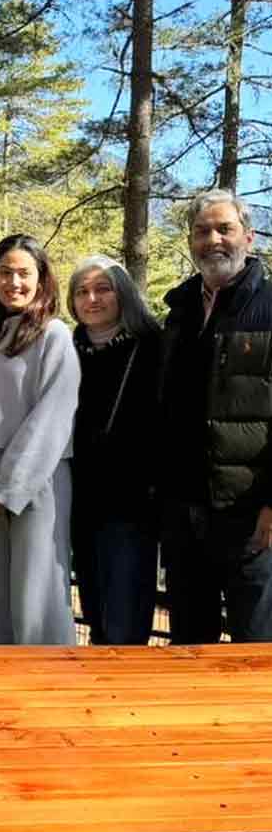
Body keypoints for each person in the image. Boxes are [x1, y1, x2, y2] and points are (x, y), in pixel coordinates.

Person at [0, 233, 80, 645]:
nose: (14, 282)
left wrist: (8, 489)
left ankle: (45, 691)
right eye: (5, 272)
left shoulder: (55, 336)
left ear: (41, 279)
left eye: (24, 273)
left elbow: (53, 417)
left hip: (37, 478)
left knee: (36, 597)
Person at [158, 188, 272, 643]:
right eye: (202, 231)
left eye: (224, 228)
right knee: (190, 649)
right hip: (185, 514)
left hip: (251, 518)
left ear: (249, 236)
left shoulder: (268, 308)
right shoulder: (179, 312)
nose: (213, 240)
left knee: (256, 651)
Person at [67, 255, 162, 645]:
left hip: (131, 506)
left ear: (122, 294)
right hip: (80, 502)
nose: (92, 299)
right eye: (82, 291)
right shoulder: (66, 349)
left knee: (125, 624)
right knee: (96, 616)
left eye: (102, 289)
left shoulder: (153, 347)